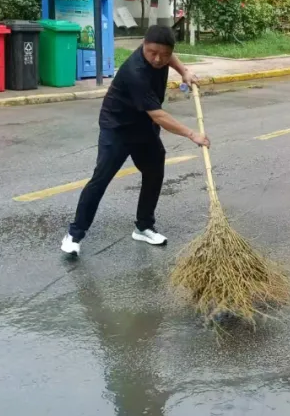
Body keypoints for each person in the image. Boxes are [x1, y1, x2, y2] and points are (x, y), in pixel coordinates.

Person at [61, 25, 209, 256]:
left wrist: (184, 71)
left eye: (164, 54)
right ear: (143, 45)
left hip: (143, 126)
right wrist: (192, 134)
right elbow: (158, 115)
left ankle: (144, 226)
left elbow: (169, 58)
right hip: (118, 127)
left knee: (154, 170)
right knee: (101, 178)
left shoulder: (162, 55)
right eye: (152, 52)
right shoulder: (135, 71)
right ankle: (74, 234)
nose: (158, 59)